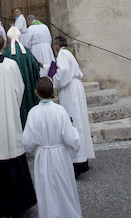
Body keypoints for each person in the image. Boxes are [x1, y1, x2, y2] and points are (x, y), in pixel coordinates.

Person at [0, 35, 36, 217]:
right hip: (10, 118)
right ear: (4, 46)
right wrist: (12, 107)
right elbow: (20, 89)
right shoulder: (12, 65)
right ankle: (19, 197)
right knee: (13, 150)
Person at [22, 77, 83, 218]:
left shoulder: (33, 113)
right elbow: (71, 138)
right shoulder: (60, 111)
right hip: (60, 155)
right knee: (64, 188)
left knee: (46, 191)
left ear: (36, 93)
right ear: (53, 91)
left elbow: (27, 142)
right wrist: (73, 131)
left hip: (42, 156)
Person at [52, 36, 95, 178]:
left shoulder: (62, 54)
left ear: (57, 45)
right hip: (75, 87)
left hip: (69, 90)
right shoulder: (68, 53)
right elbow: (59, 69)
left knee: (73, 122)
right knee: (79, 121)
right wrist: (46, 68)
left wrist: (55, 84)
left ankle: (77, 161)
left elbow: (63, 71)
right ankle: (83, 156)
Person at [3, 26, 40, 127]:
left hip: (12, 92)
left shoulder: (6, 53)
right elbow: (36, 68)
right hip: (29, 90)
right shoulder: (27, 52)